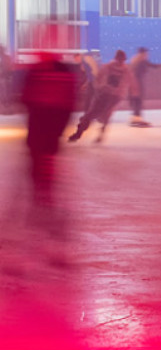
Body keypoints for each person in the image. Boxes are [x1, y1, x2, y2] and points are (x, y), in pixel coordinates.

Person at [19, 39, 81, 247]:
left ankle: (42, 194)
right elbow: (69, 103)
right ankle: (44, 193)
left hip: (41, 127)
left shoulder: (38, 72)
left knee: (39, 160)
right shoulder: (62, 72)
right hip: (49, 128)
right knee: (44, 160)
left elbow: (26, 98)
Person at [68, 50, 129, 144]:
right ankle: (85, 132)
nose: (120, 62)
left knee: (98, 114)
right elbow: (98, 76)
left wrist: (99, 88)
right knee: (100, 115)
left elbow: (98, 75)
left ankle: (86, 132)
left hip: (110, 96)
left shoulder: (111, 67)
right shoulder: (116, 68)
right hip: (109, 95)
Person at [127, 47, 157, 127]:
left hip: (134, 83)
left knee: (136, 102)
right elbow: (135, 74)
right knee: (138, 101)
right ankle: (137, 121)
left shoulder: (136, 60)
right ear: (142, 54)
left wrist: (159, 67)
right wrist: (136, 86)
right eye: (146, 53)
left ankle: (135, 120)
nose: (147, 55)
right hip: (136, 83)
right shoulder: (140, 62)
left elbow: (150, 64)